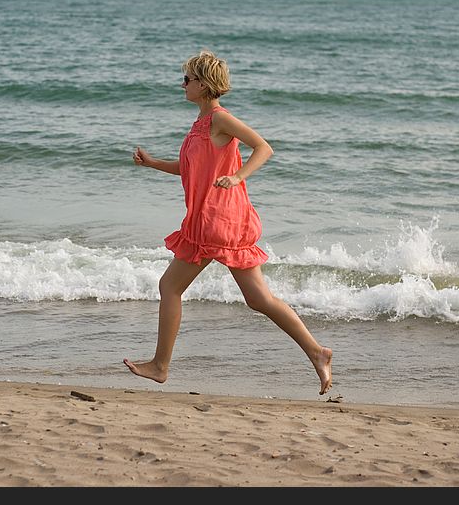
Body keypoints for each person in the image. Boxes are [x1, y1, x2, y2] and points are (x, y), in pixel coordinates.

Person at [124, 50, 333, 395]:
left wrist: (237, 177)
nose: (182, 85)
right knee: (259, 299)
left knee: (170, 287)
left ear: (204, 85)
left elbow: (263, 148)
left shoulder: (220, 119)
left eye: (187, 79)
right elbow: (191, 169)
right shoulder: (200, 125)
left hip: (215, 219)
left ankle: (161, 365)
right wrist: (152, 164)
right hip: (216, 219)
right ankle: (318, 352)